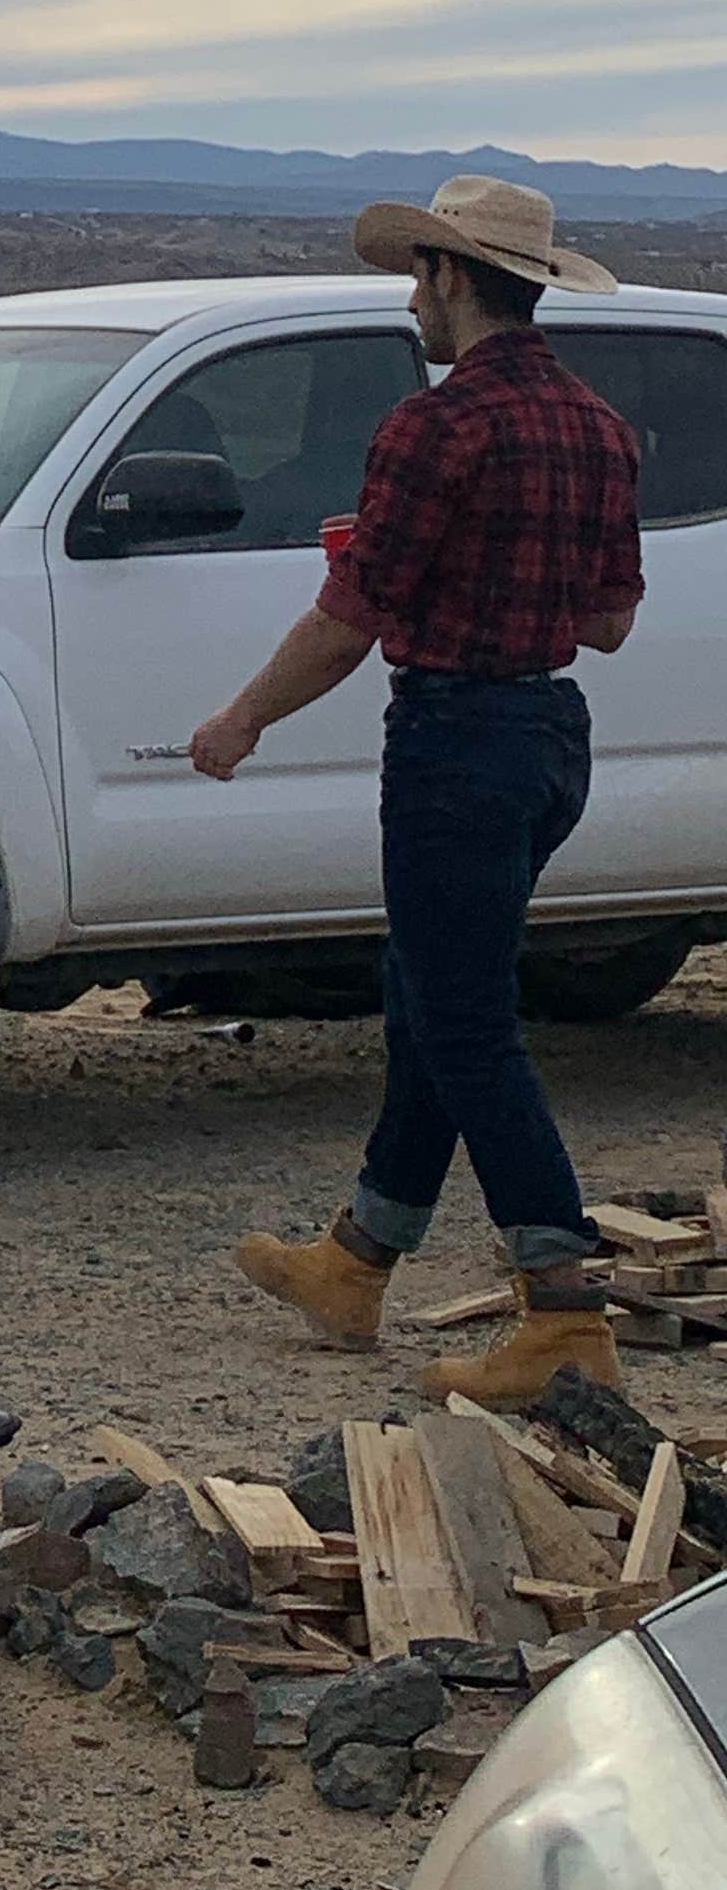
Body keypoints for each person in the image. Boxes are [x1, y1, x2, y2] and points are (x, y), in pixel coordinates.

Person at [191, 175, 644, 1407]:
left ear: (452, 277)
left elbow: (350, 620)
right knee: (430, 989)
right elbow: (606, 622)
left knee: (464, 1020)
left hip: (455, 740)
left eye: (418, 275)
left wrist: (242, 718)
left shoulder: (434, 429)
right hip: (551, 734)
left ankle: (561, 1312)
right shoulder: (598, 425)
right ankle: (359, 1257)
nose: (411, 298)